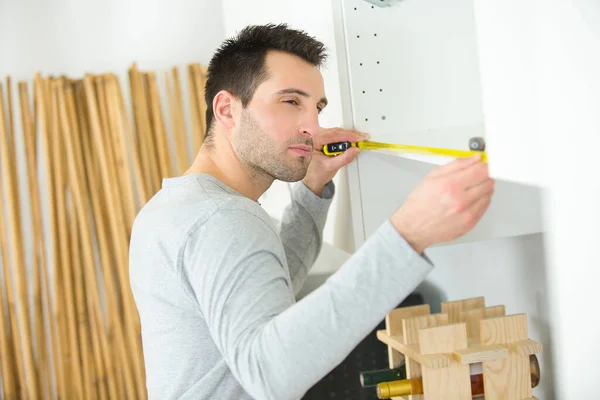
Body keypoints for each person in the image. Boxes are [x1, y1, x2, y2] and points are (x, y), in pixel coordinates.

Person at [128, 23, 494, 400]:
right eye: (290, 101)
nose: (312, 126)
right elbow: (269, 374)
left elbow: (266, 289)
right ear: (227, 109)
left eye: (316, 108)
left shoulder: (172, 208)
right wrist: (408, 234)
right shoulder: (224, 218)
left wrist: (312, 185)